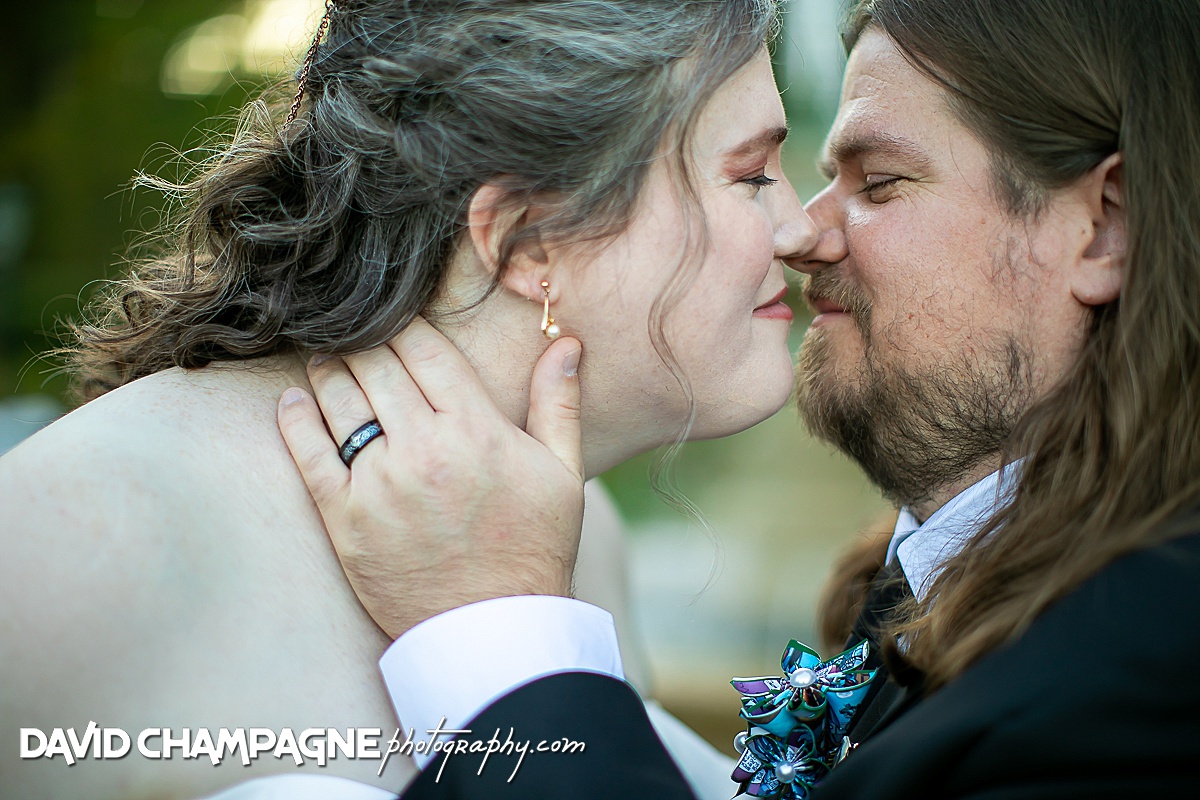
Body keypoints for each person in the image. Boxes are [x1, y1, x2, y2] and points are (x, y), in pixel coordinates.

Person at [279, 0, 1200, 797]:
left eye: (880, 183)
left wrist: (502, 641)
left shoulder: (1147, 681)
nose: (801, 232)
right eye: (760, 175)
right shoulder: (963, 593)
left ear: (1102, 230)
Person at [0, 2, 811, 798]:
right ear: (527, 241)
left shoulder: (573, 528)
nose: (800, 228)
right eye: (751, 177)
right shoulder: (72, 541)